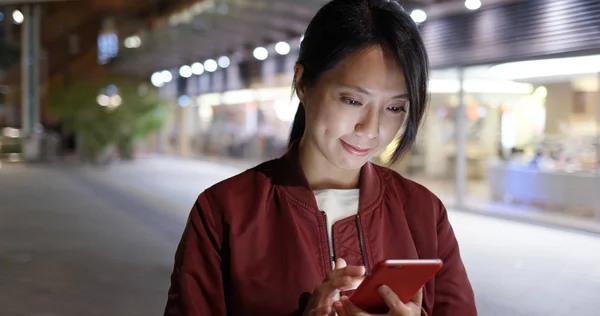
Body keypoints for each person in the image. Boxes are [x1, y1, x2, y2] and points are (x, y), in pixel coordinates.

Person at [164, 0, 477, 315]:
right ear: (302, 83)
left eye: (394, 108)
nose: (371, 129)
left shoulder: (423, 213)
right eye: (353, 100)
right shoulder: (225, 211)